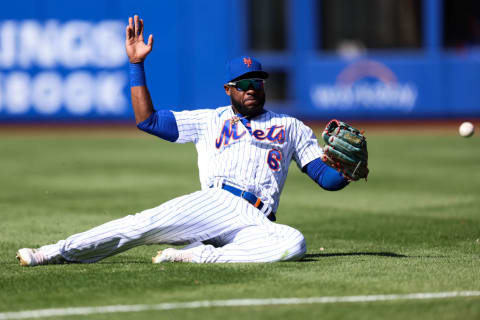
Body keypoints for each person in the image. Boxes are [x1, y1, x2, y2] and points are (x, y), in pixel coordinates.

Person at [16, 15, 351, 266]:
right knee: (141, 226)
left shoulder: (290, 126)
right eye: (244, 83)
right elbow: (148, 120)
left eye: (257, 82)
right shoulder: (210, 119)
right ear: (228, 89)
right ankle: (52, 252)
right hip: (218, 202)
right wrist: (136, 65)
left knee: (294, 244)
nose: (251, 88)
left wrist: (348, 171)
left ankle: (201, 256)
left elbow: (326, 177)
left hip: (257, 219)